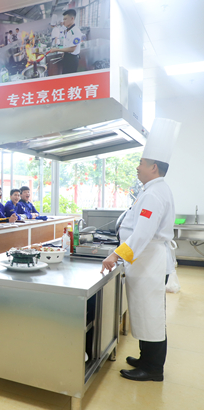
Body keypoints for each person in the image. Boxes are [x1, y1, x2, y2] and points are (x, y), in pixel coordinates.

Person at [101, 118, 180, 383]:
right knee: (145, 312)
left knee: (151, 314)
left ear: (153, 167)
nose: (137, 167)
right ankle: (146, 359)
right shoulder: (153, 190)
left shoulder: (154, 194)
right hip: (147, 261)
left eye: (141, 162)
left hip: (150, 263)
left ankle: (153, 369)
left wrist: (115, 254)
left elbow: (142, 234)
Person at [55, 9, 83, 74]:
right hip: (67, 57)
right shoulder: (68, 30)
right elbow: (67, 44)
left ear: (72, 18)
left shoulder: (76, 31)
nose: (63, 21)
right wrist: (64, 53)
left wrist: (57, 49)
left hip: (72, 59)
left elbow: (72, 49)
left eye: (65, 19)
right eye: (63, 19)